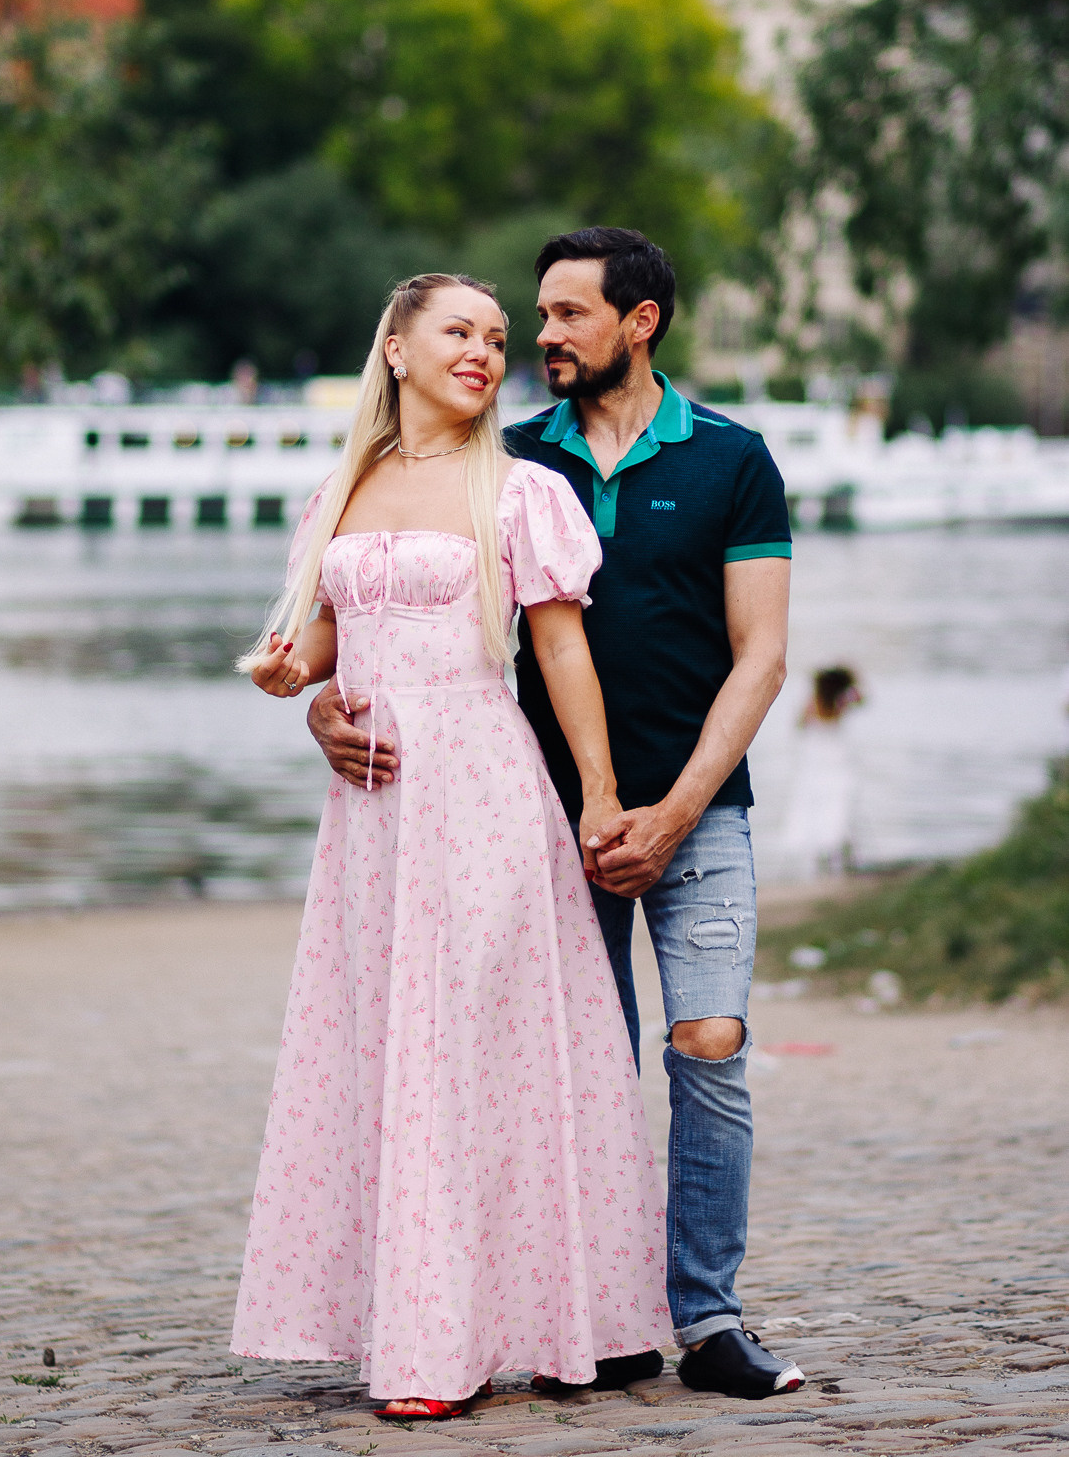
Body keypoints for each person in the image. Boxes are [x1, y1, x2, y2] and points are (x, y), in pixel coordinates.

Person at [307, 230, 805, 1402]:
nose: (537, 338)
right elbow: (386, 615)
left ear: (640, 323)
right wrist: (325, 707)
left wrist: (672, 809)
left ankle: (711, 1316)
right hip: (530, 818)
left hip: (695, 812)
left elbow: (764, 657)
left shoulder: (734, 459)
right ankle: (602, 1314)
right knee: (572, 1065)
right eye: (527, 316)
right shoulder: (503, 458)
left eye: (565, 315)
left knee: (710, 1047)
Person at [230, 273, 669, 1418]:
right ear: (396, 347)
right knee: (383, 1051)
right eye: (458, 333)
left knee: (474, 1057)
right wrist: (305, 691)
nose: (485, 352)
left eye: (495, 337)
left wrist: (600, 793)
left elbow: (561, 656)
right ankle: (422, 1324)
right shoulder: (341, 489)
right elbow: (316, 646)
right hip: (373, 813)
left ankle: (458, 1346)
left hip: (479, 794)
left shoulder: (516, 492)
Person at [780, 666, 863, 875]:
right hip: (837, 760)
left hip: (816, 762)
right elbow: (862, 699)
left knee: (814, 805)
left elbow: (798, 726)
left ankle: (820, 855)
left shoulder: (814, 704)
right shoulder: (841, 703)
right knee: (837, 804)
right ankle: (836, 850)